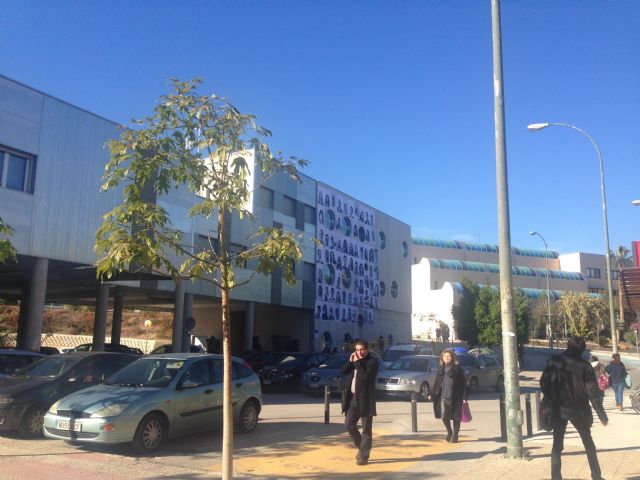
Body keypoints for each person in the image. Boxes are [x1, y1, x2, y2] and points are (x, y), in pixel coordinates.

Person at [540, 336, 608, 480]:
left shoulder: (553, 362)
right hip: (579, 409)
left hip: (558, 408)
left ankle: (556, 477)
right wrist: (602, 415)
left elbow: (543, 383)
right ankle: (596, 476)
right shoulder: (585, 367)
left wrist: (551, 397)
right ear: (582, 350)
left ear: (567, 346)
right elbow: (593, 393)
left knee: (557, 445)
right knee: (588, 443)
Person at [341, 339, 379, 466]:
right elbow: (344, 371)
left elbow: (365, 377)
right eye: (357, 350)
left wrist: (357, 362)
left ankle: (364, 456)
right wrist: (350, 361)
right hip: (353, 399)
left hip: (366, 400)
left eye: (362, 349)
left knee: (366, 429)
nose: (359, 352)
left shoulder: (372, 362)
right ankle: (362, 449)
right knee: (349, 425)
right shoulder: (355, 361)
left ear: (367, 350)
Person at [427, 349, 467, 443]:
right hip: (443, 396)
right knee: (444, 416)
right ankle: (449, 432)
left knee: (456, 417)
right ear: (442, 358)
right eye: (445, 356)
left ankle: (455, 435)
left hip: (456, 396)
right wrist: (431, 394)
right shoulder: (441, 369)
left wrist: (465, 397)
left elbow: (463, 384)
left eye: (448, 356)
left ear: (452, 357)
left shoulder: (457, 368)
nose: (446, 358)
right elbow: (436, 382)